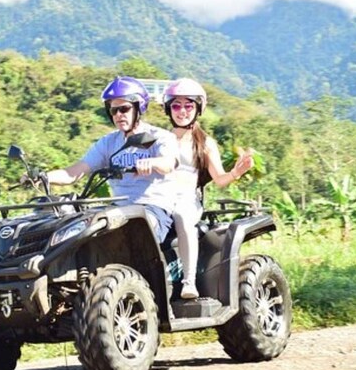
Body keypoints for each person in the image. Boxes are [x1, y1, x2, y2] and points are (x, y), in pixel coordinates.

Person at [29, 76, 179, 242]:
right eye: (114, 111)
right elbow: (75, 171)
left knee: (132, 231)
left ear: (139, 107)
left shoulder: (160, 137)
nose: (118, 115)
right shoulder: (109, 142)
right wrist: (43, 177)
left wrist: (152, 162)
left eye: (124, 109)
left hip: (152, 208)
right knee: (77, 230)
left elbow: (168, 163)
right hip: (117, 209)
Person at [163, 78, 254, 299]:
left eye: (188, 105)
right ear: (169, 109)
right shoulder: (160, 139)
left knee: (183, 217)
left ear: (198, 109)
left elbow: (220, 179)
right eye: (176, 105)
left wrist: (236, 172)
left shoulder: (204, 143)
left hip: (187, 199)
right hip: (160, 197)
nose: (182, 111)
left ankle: (188, 281)